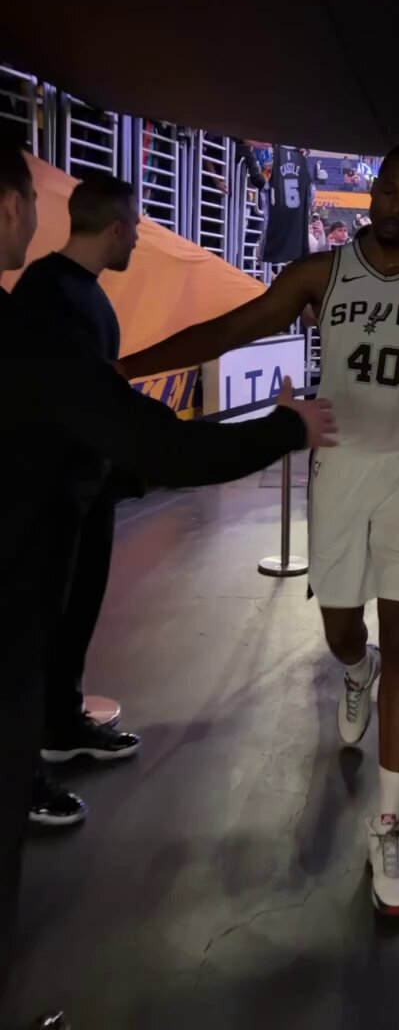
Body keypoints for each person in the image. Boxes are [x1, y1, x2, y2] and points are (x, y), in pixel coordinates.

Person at [119, 142, 399, 917]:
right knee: (340, 629)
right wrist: (125, 368)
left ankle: (389, 823)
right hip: (338, 464)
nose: (397, 206)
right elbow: (229, 329)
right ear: (373, 193)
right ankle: (355, 671)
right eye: (388, 192)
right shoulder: (318, 274)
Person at [0, 139, 337, 1020]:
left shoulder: (44, 310)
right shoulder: (40, 317)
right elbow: (158, 441)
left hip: (63, 516)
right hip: (23, 559)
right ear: (14, 208)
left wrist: (112, 472)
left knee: (56, 644)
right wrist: (287, 428)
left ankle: (55, 726)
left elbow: (103, 422)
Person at [11, 176, 144, 826]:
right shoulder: (45, 295)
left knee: (74, 617)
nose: (137, 239)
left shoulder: (84, 293)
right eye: (135, 228)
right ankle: (20, 778)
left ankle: (61, 725)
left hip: (89, 489)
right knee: (34, 636)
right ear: (116, 230)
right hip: (49, 495)